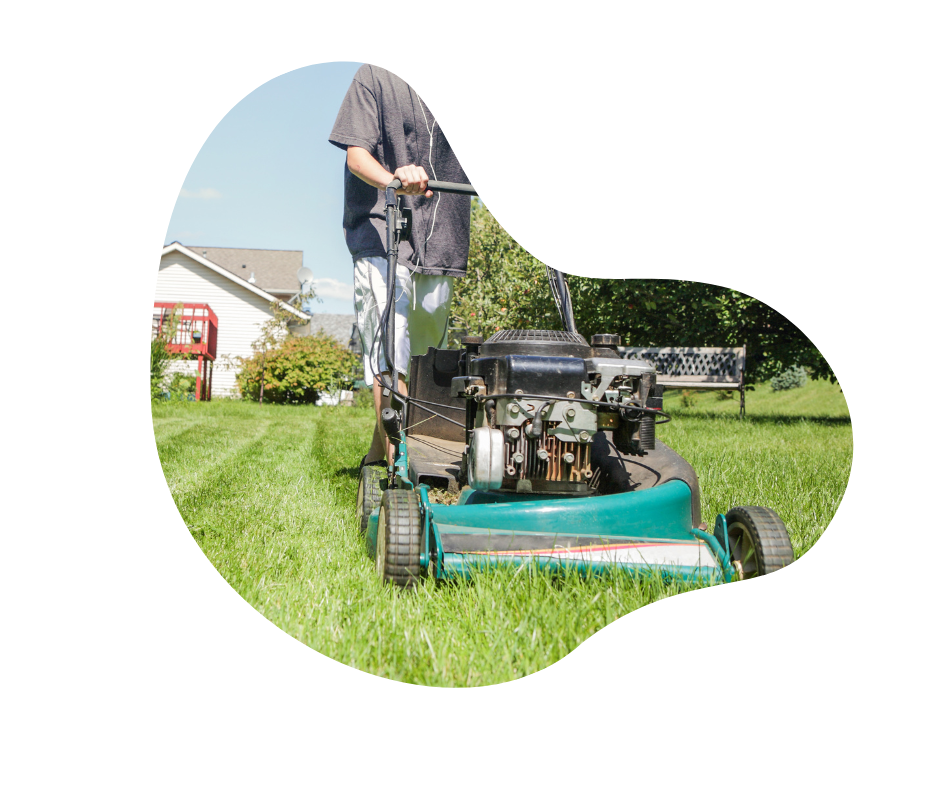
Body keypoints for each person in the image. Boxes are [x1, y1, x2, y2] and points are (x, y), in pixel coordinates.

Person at [329, 64, 471, 467]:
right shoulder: (373, 76)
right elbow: (357, 155)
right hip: (381, 226)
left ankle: (382, 448)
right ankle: (398, 462)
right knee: (391, 343)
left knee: (426, 355)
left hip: (442, 233)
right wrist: (393, 177)